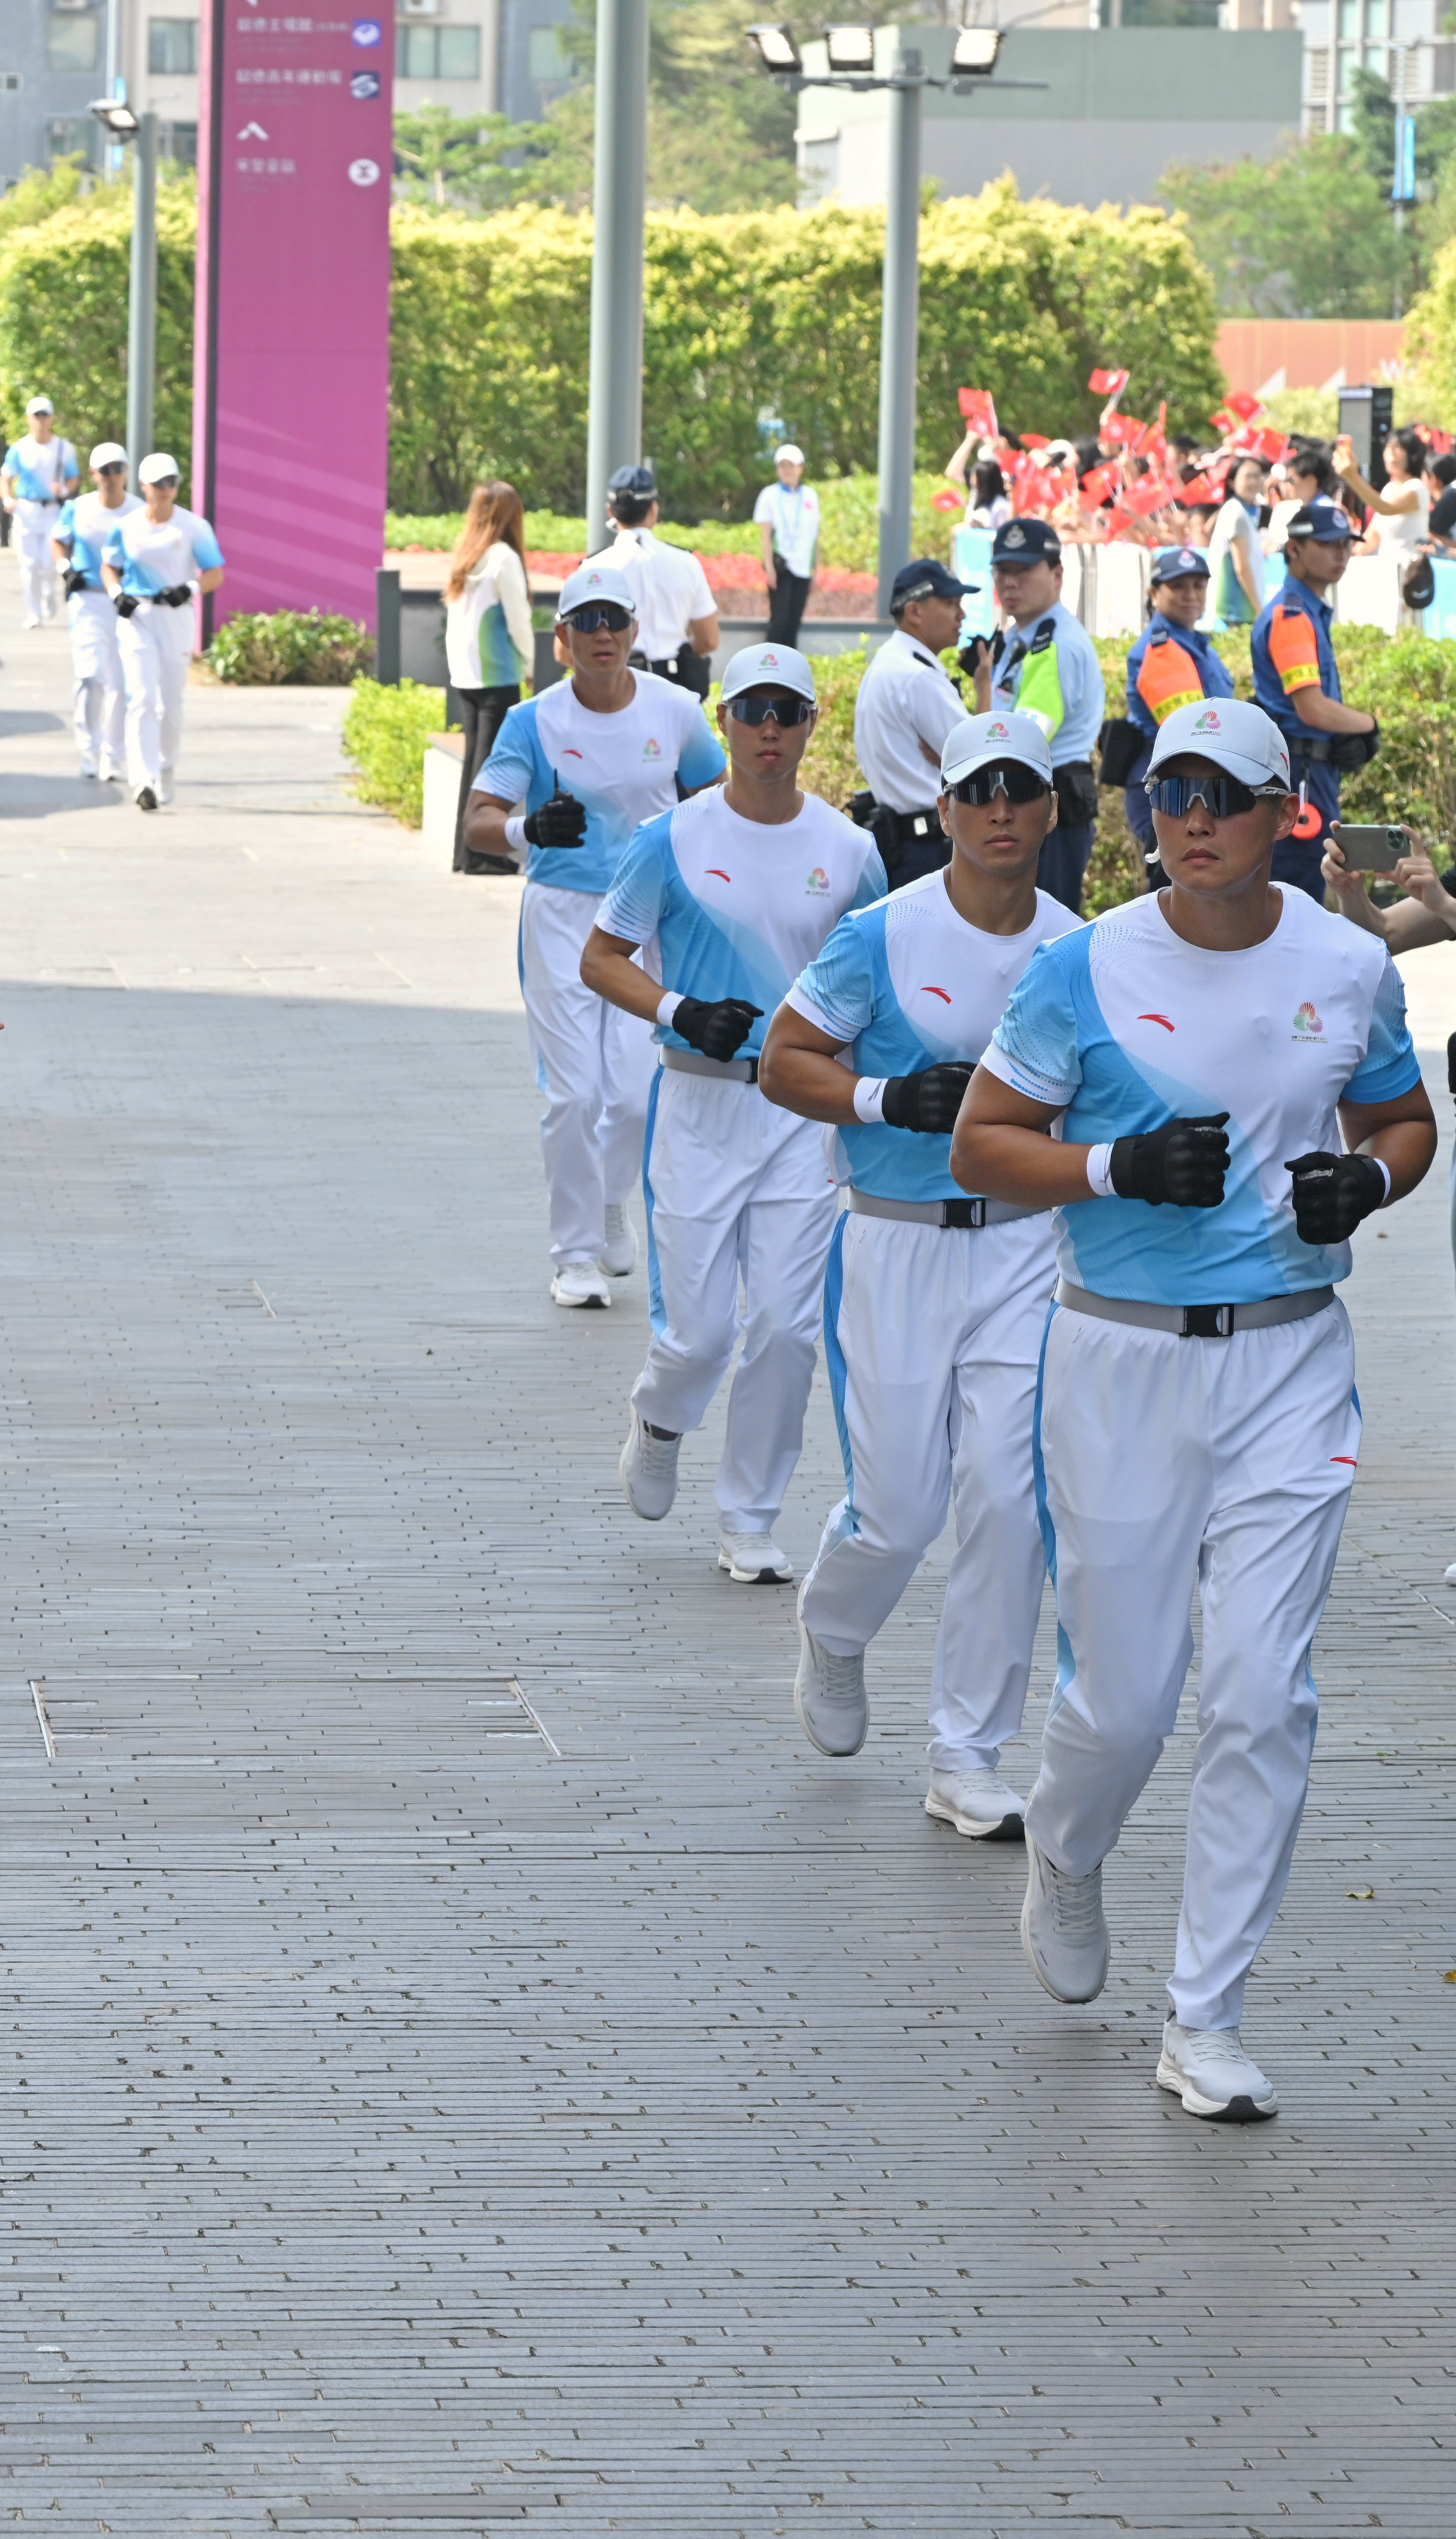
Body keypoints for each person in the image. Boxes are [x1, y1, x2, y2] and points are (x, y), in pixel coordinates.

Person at [953, 696, 1434, 2123]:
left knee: (1262, 1692)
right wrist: (1118, 1169)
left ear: (1286, 813)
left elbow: (1401, 1119)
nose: (1197, 819)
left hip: (1290, 1359)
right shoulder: (1082, 965)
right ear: (1148, 812)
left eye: (1227, 795)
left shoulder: (1348, 964)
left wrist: (1371, 1182)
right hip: (1120, 1360)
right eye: (1174, 794)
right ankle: (1067, 1841)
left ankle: (1204, 2015)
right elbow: (983, 1143)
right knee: (1128, 1704)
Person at [755, 709, 1081, 1833]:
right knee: (898, 1513)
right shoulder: (881, 935)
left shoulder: (1079, 950)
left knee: (1009, 1498)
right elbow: (782, 1062)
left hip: (1026, 1249)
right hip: (892, 1243)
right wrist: (882, 1097)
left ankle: (965, 1754)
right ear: (943, 809)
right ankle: (835, 1626)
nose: (999, 810)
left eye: (1019, 789)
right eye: (977, 790)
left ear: (1050, 808)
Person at [584, 644, 884, 1583]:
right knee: (700, 1332)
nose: (769, 729)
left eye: (787, 712)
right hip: (699, 1110)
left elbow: (880, 981)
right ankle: (661, 1413)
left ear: (810, 725)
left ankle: (748, 1517)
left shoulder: (849, 850)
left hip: (801, 1117)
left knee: (788, 1331)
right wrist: (679, 1011)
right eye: (752, 710)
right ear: (724, 720)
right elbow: (601, 959)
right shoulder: (669, 839)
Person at [463, 563, 726, 1307]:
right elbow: (479, 819)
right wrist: (528, 829)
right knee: (575, 1093)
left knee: (636, 1096)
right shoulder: (533, 721)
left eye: (614, 620)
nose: (601, 633)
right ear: (563, 638)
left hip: (646, 918)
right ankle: (574, 1255)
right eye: (587, 621)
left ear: (635, 631)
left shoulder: (675, 711)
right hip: (563, 918)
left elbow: (717, 800)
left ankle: (610, 1201)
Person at [1250, 495, 1377, 905]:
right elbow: (1312, 707)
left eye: (1346, 544)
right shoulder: (1292, 615)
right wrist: (1369, 725)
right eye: (1328, 543)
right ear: (1294, 549)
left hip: (1307, 771)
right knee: (1295, 896)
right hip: (1299, 776)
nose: (1341, 553)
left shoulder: (1305, 610)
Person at [978, 518, 1101, 911]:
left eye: (1024, 570)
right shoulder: (1022, 636)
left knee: (1044, 926)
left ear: (1057, 575)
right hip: (1029, 800)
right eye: (1002, 570)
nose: (1010, 582)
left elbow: (1022, 739)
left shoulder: (1055, 644)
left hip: (1046, 804)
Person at [105, 453, 226, 816]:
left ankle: (166, 766)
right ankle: (143, 780)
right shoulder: (127, 526)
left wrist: (188, 589)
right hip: (137, 617)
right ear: (144, 485)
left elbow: (215, 573)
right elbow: (109, 566)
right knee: (142, 698)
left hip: (175, 617)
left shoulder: (193, 528)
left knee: (170, 705)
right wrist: (117, 595)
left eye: (171, 482)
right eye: (158, 484)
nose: (166, 489)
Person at [850, 556, 973, 889]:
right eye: (950, 603)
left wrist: (946, 757)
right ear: (915, 612)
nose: (961, 614)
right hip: (926, 848)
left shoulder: (890, 664)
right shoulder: (918, 677)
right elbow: (984, 760)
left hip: (901, 844)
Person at [1116, 545, 1230, 883]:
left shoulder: (1197, 644)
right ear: (1154, 593)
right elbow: (1196, 734)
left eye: (1198, 585)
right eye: (1178, 586)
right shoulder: (1161, 648)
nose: (1190, 594)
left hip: (1191, 791)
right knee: (1175, 898)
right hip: (1172, 795)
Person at [439, 480, 531, 851]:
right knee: (491, 770)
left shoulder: (466, 557)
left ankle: (467, 853)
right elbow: (519, 621)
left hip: (467, 675)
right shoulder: (504, 559)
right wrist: (530, 663)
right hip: (498, 675)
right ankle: (483, 855)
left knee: (473, 765)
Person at [54, 446, 137, 787]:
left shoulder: (139, 511)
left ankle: (113, 753)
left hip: (127, 604)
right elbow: (58, 541)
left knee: (120, 682)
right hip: (88, 599)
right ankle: (88, 748)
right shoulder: (78, 508)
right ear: (93, 474)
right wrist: (65, 568)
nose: (111, 476)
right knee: (90, 677)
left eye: (117, 469)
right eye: (104, 470)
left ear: (126, 472)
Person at [597, 463, 719, 692]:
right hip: (675, 686)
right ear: (653, 509)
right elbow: (709, 640)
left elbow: (565, 650)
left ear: (610, 511)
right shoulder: (687, 562)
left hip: (616, 689)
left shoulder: (593, 567)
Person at [0, 397, 81, 628]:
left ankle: (48, 593)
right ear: (29, 419)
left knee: (49, 563)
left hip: (52, 510)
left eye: (45, 415)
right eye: (37, 415)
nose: (41, 420)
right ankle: (33, 612)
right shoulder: (19, 448)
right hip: (26, 510)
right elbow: (5, 478)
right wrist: (7, 499)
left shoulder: (63, 449)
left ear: (51, 419)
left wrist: (63, 489)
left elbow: (74, 478)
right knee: (29, 565)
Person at [752, 444, 820, 649]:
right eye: (782, 466)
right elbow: (766, 536)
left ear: (801, 468)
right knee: (779, 620)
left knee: (794, 622)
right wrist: (769, 568)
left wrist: (816, 570)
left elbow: (814, 536)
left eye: (791, 465)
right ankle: (768, 662)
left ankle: (790, 665)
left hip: (803, 566)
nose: (787, 470)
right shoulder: (769, 495)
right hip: (782, 566)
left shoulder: (810, 496)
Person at [1207, 455, 1270, 636]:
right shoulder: (1236, 513)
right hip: (1234, 609)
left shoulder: (1245, 511)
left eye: (1258, 476)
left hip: (1237, 609)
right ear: (1232, 482)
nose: (1254, 481)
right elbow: (1241, 567)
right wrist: (1259, 608)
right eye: (1248, 476)